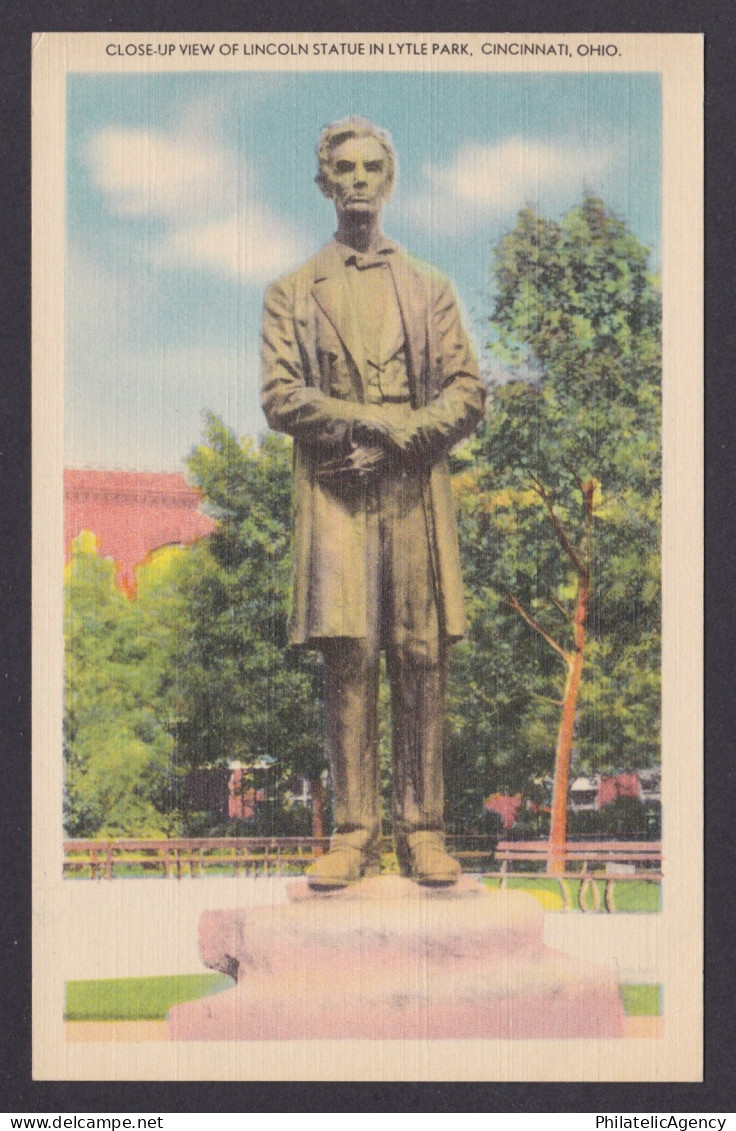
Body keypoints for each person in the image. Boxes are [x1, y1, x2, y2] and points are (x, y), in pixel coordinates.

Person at [261, 117, 485, 889]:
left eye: (371, 168)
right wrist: (364, 427)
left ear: (388, 181)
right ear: (325, 183)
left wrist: (398, 439)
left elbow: (467, 391)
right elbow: (282, 396)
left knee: (421, 655)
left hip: (414, 491)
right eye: (344, 169)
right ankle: (355, 834)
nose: (358, 180)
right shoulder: (292, 291)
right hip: (338, 495)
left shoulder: (430, 286)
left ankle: (423, 830)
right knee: (351, 657)